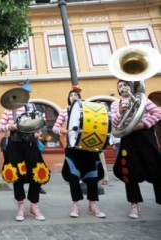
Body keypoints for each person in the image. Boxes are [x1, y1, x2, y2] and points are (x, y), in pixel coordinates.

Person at [111, 79, 161, 219]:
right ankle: (134, 205)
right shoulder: (115, 104)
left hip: (145, 136)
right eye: (120, 86)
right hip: (128, 137)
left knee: (157, 167)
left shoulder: (142, 99)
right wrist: (120, 113)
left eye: (125, 85)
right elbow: (114, 123)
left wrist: (144, 123)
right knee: (129, 170)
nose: (122, 88)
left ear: (131, 86)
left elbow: (157, 114)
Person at [53, 88, 106, 218]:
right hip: (73, 148)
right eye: (71, 95)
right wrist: (62, 130)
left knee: (92, 177)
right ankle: (75, 205)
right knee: (73, 178)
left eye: (76, 94)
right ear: (68, 98)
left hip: (88, 147)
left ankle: (92, 205)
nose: (74, 96)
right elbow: (55, 127)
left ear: (80, 97)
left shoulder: (87, 110)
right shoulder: (64, 111)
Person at [0, 92, 50, 222]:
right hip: (15, 145)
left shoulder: (31, 107)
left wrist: (39, 133)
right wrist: (9, 126)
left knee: (36, 174)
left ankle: (34, 206)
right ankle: (21, 207)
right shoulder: (9, 109)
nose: (19, 98)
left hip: (30, 144)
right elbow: (0, 127)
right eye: (16, 96)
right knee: (17, 176)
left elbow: (40, 123)